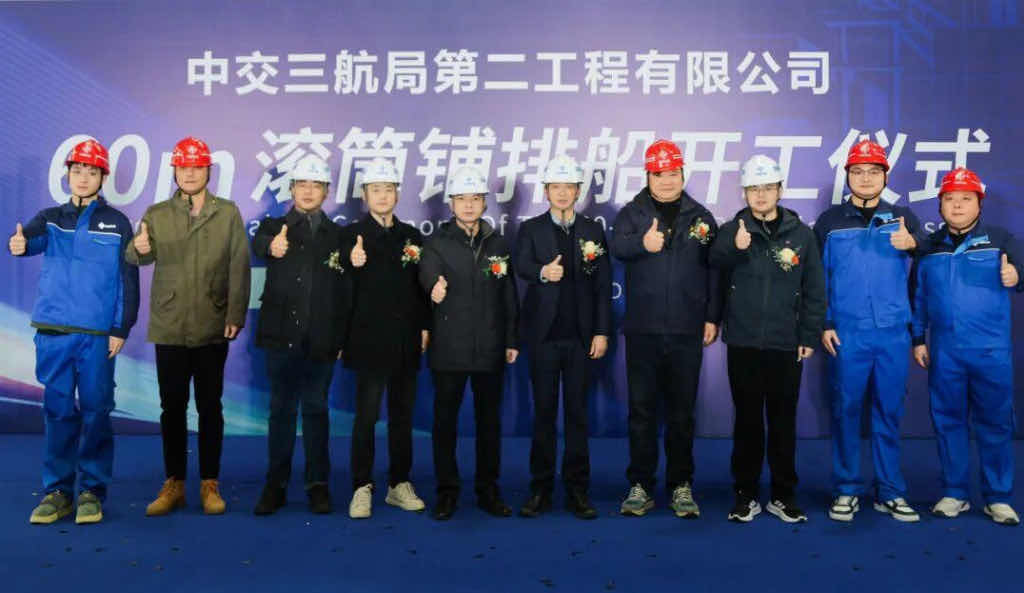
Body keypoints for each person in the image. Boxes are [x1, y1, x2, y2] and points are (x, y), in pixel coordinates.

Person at [12, 139, 139, 524]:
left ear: (103, 177)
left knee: (97, 411)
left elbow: (127, 279)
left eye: (92, 171)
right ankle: (58, 491)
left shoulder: (118, 222)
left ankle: (92, 491)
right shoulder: (50, 218)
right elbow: (28, 240)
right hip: (54, 332)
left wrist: (121, 327)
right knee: (59, 412)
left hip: (97, 336)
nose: (83, 177)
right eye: (77, 170)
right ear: (67, 174)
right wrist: (18, 243)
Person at [125, 136, 251, 516]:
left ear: (207, 171)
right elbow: (135, 255)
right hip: (170, 324)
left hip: (213, 322)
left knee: (210, 406)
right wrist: (139, 249)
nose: (190, 173)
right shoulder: (157, 213)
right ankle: (174, 484)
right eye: (184, 167)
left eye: (197, 167)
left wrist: (235, 314)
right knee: (172, 407)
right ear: (175, 171)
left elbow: (239, 266)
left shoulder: (227, 212)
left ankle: (210, 484)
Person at [709, 154, 825, 523]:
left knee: (782, 422)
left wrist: (808, 334)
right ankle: (745, 494)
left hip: (785, 342)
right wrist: (735, 247)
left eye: (768, 187)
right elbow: (713, 261)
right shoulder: (733, 229)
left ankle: (783, 494)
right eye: (753, 188)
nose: (760, 195)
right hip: (743, 342)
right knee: (746, 422)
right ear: (744, 192)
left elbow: (815, 289)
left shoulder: (802, 234)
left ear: (780, 190)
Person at [610, 139, 722, 518]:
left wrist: (712, 316)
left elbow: (714, 270)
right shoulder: (632, 213)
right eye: (659, 174)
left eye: (672, 173)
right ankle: (640, 485)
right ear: (648, 176)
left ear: (682, 174)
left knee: (681, 413)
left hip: (686, 330)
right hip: (642, 330)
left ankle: (681, 485)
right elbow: (617, 246)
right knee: (641, 412)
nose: (667, 180)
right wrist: (643, 243)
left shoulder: (701, 216)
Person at [814, 139, 925, 522]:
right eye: (858, 171)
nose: (865, 178)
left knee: (888, 411)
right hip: (848, 333)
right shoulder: (829, 222)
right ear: (847, 176)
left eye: (874, 171)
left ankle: (890, 490)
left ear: (885, 177)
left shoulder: (902, 217)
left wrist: (914, 243)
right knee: (845, 410)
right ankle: (846, 488)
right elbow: (817, 278)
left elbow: (928, 262)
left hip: (893, 332)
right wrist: (825, 322)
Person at [911, 167, 1022, 526]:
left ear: (979, 204)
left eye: (965, 198)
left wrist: (1017, 274)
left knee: (995, 424)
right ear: (940, 205)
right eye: (949, 199)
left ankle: (998, 497)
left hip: (991, 352)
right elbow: (918, 298)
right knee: (948, 422)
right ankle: (955, 492)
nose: (957, 205)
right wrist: (918, 339)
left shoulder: (1001, 240)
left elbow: (1022, 268)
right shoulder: (929, 248)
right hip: (945, 353)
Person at [418, 165, 519, 521]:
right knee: (445, 423)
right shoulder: (437, 243)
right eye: (462, 199)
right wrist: (434, 286)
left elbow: (508, 295)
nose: (469, 205)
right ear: (451, 203)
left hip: (490, 346)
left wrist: (510, 339)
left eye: (475, 198)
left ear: (485, 203)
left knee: (489, 424)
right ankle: (447, 492)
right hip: (449, 347)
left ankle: (488, 490)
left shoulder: (498, 243)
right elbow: (426, 273)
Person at [514, 155, 611, 520]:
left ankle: (577, 491)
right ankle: (540, 489)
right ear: (546, 191)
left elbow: (603, 285)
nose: (562, 193)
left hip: (581, 339)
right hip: (543, 337)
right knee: (543, 415)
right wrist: (543, 272)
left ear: (578, 191)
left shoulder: (592, 230)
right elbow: (520, 265)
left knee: (577, 416)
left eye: (569, 186)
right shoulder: (531, 228)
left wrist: (601, 330)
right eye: (556, 186)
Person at [252, 154, 348, 516]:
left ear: (326, 192)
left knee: (316, 411)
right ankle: (275, 486)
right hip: (281, 337)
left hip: (322, 339)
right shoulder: (273, 226)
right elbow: (259, 243)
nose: (308, 191)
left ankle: (317, 485)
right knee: (280, 411)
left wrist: (341, 337)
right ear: (291, 189)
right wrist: (270, 246)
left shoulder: (338, 235)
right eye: (302, 184)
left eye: (316, 185)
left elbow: (344, 294)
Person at [342, 158, 430, 519]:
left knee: (402, 417)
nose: (382, 196)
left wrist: (424, 326)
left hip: (405, 340)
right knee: (365, 417)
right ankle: (361, 486)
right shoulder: (350, 236)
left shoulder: (412, 236)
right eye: (375, 189)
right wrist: (351, 262)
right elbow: (338, 288)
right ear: (365, 195)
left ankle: (399, 483)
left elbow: (421, 288)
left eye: (388, 189)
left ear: (397, 194)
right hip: (367, 341)